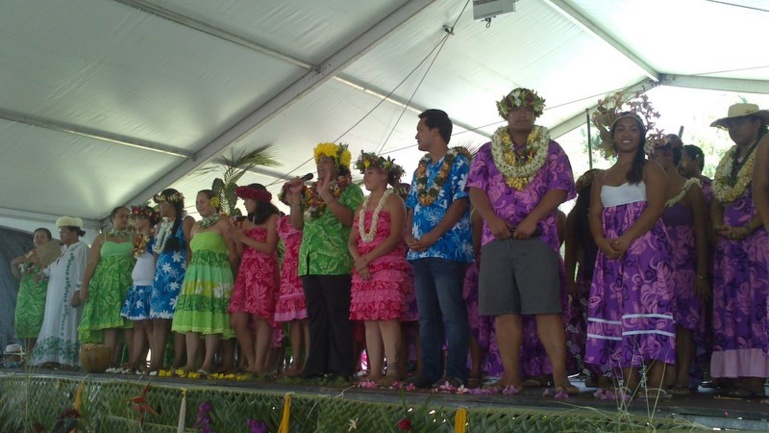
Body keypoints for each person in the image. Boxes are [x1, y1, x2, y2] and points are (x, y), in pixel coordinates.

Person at [466, 88, 577, 395]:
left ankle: (560, 378)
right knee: (504, 310)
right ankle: (511, 377)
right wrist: (490, 218)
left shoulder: (552, 149)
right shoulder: (488, 152)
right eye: (515, 109)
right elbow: (475, 188)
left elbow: (560, 187)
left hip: (538, 237)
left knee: (546, 309)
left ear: (536, 112)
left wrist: (534, 218)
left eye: (528, 108)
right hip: (496, 238)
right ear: (505, 113)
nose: (522, 113)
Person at [585, 111, 675, 400]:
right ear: (611, 136)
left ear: (641, 135)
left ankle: (657, 388)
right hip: (612, 254)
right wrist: (601, 240)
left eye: (633, 129)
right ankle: (628, 384)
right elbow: (595, 213)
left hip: (646, 251)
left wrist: (627, 237)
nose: (626, 133)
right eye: (620, 129)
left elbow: (656, 207)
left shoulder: (651, 169)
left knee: (651, 313)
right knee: (621, 312)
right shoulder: (601, 177)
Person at [404, 109, 473, 389]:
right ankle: (429, 371)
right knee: (427, 317)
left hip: (448, 250)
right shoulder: (420, 167)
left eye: (421, 128)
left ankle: (456, 373)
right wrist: (407, 234)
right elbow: (411, 205)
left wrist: (434, 235)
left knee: (451, 314)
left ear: (436, 131)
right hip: (420, 252)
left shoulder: (458, 162)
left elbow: (460, 203)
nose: (416, 134)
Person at [285, 142, 364, 380]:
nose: (320, 166)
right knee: (317, 316)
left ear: (339, 166)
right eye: (318, 162)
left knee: (338, 315)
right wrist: (297, 198)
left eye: (326, 162)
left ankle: (343, 367)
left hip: (336, 261)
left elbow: (350, 220)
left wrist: (327, 195)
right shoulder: (310, 192)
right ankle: (316, 365)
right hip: (309, 262)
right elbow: (297, 225)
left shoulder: (351, 190)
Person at [709, 103, 769, 398]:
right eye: (730, 124)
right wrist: (719, 225)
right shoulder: (729, 159)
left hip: (758, 241)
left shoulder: (765, 151)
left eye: (741, 123)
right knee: (731, 307)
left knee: (756, 305)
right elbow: (717, 198)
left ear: (757, 123)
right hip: (729, 245)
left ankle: (757, 379)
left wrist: (750, 227)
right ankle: (739, 377)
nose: (734, 129)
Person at [650, 139, 710, 395]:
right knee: (660, 321)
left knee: (685, 323)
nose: (651, 160)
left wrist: (701, 273)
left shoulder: (691, 189)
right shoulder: (649, 188)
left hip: (685, 267)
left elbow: (701, 233)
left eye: (656, 155)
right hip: (656, 267)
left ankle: (683, 376)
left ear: (669, 155)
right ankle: (663, 373)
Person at [348, 152, 408, 386]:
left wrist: (367, 259)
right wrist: (358, 260)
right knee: (369, 320)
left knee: (386, 316)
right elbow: (352, 240)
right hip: (363, 268)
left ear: (384, 174)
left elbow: (395, 237)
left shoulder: (394, 201)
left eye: (370, 172)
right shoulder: (361, 206)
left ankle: (392, 369)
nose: (366, 177)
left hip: (387, 265)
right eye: (364, 173)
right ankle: (374, 371)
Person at [172, 190, 237, 375]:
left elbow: (232, 253)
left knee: (212, 316)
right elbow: (190, 253)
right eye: (197, 202)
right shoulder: (196, 226)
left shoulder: (224, 223)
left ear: (213, 202)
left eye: (203, 202)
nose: (199, 205)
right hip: (195, 276)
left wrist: (231, 278)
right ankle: (190, 363)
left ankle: (208, 362)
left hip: (216, 275)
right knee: (193, 317)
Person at [563, 169, 610, 388]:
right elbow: (571, 251)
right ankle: (601, 372)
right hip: (592, 278)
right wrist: (570, 281)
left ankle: (600, 372)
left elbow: (571, 252)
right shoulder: (578, 216)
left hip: (593, 277)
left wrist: (571, 280)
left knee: (593, 327)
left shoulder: (604, 212)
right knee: (598, 326)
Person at [228, 184, 281, 374]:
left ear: (258, 200)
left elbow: (269, 248)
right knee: (237, 320)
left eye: (247, 200)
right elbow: (242, 252)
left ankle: (260, 365)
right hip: (246, 272)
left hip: (264, 271)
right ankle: (251, 361)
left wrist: (242, 238)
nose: (244, 203)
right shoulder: (247, 222)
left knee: (261, 318)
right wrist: (236, 238)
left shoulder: (273, 219)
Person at [78, 206, 136, 365]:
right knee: (109, 323)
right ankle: (108, 362)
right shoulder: (101, 237)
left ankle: (134, 361)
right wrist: (84, 285)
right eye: (121, 216)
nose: (125, 219)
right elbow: (91, 263)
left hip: (128, 284)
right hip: (105, 286)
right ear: (113, 218)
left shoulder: (135, 237)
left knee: (129, 324)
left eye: (127, 216)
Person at [30, 217, 89, 368]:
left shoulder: (81, 248)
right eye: (60, 232)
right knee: (52, 320)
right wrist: (42, 273)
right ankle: (51, 357)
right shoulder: (61, 249)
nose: (61, 235)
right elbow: (51, 268)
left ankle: (68, 360)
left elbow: (83, 270)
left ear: (74, 232)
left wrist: (78, 291)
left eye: (64, 232)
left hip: (69, 293)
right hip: (54, 293)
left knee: (68, 321)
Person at [147, 189, 194, 373]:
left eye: (162, 204)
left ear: (172, 204)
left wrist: (189, 274)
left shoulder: (186, 222)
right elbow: (156, 252)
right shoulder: (161, 225)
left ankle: (177, 362)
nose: (159, 207)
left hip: (179, 275)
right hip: (161, 278)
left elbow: (190, 249)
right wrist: (156, 272)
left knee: (178, 321)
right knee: (159, 320)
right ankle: (156, 362)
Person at [275, 184, 310, 377]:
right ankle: (295, 362)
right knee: (294, 320)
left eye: (294, 193)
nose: (290, 196)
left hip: (304, 265)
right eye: (288, 194)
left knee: (306, 319)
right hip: (288, 270)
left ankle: (308, 361)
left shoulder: (308, 216)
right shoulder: (281, 221)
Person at [121, 205, 161, 371]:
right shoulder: (138, 238)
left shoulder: (155, 236)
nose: (134, 221)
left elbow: (155, 257)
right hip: (137, 286)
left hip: (149, 285)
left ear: (146, 219)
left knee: (149, 325)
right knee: (138, 325)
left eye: (137, 218)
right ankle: (136, 359)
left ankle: (156, 361)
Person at [10, 227, 54, 356]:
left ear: (49, 240)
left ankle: (40, 357)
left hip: (40, 294)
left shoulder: (52, 255)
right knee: (24, 323)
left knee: (38, 323)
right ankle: (29, 356)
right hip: (25, 294)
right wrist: (14, 264)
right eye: (36, 237)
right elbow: (19, 276)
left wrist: (37, 261)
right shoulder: (29, 254)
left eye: (42, 237)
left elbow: (50, 273)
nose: (38, 239)